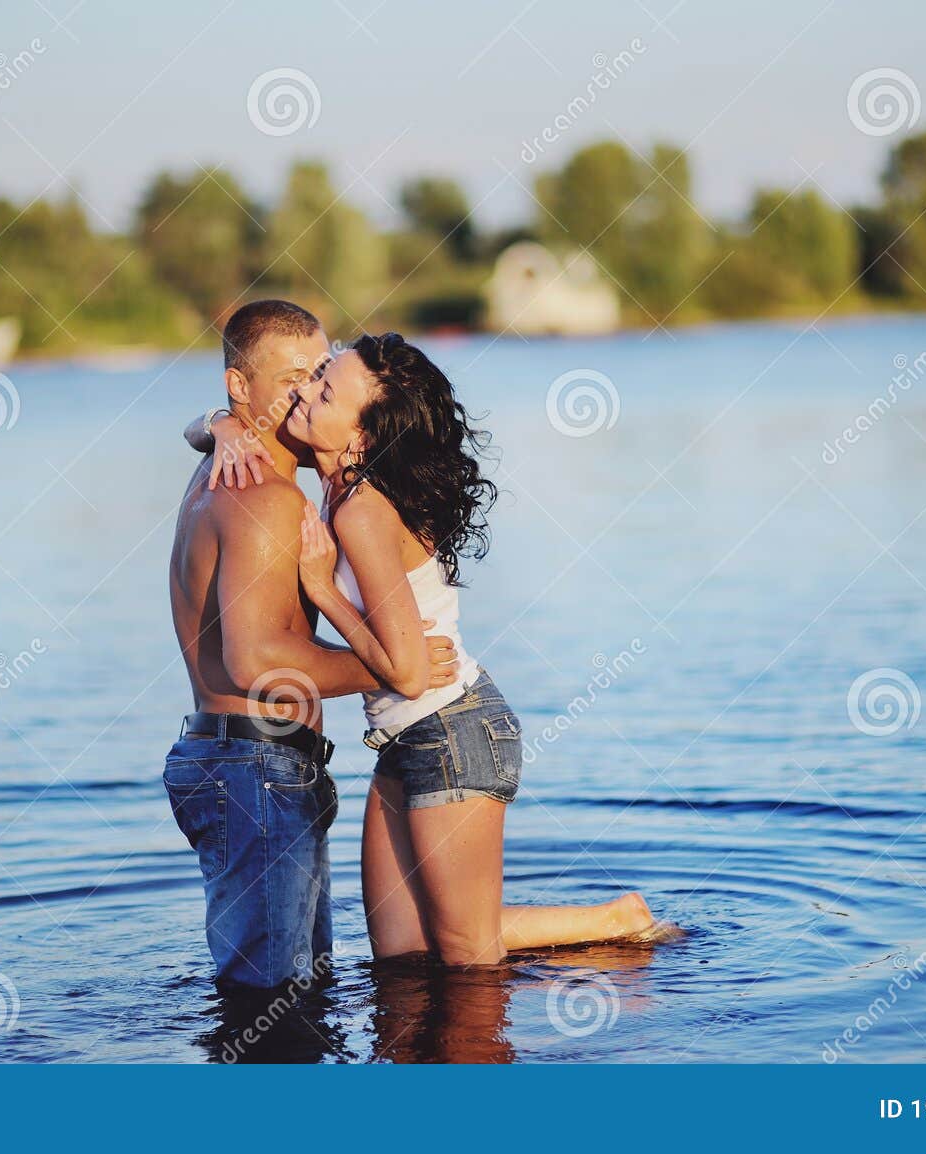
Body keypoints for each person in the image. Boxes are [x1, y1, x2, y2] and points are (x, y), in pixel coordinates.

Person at [196, 331, 677, 966]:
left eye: (325, 388)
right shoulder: (339, 475)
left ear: (361, 436)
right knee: (400, 953)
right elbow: (215, 427)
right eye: (311, 380)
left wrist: (321, 589)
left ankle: (617, 921)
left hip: (454, 729)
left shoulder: (362, 510)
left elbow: (411, 671)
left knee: (465, 954)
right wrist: (223, 426)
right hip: (405, 739)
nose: (307, 393)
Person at [163, 301, 459, 988]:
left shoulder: (220, 468)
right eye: (290, 377)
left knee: (288, 990)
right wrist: (384, 668)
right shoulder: (266, 498)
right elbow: (255, 659)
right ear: (241, 387)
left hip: (231, 759)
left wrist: (219, 424)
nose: (306, 394)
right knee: (275, 1004)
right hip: (256, 769)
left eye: (318, 375)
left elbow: (200, 425)